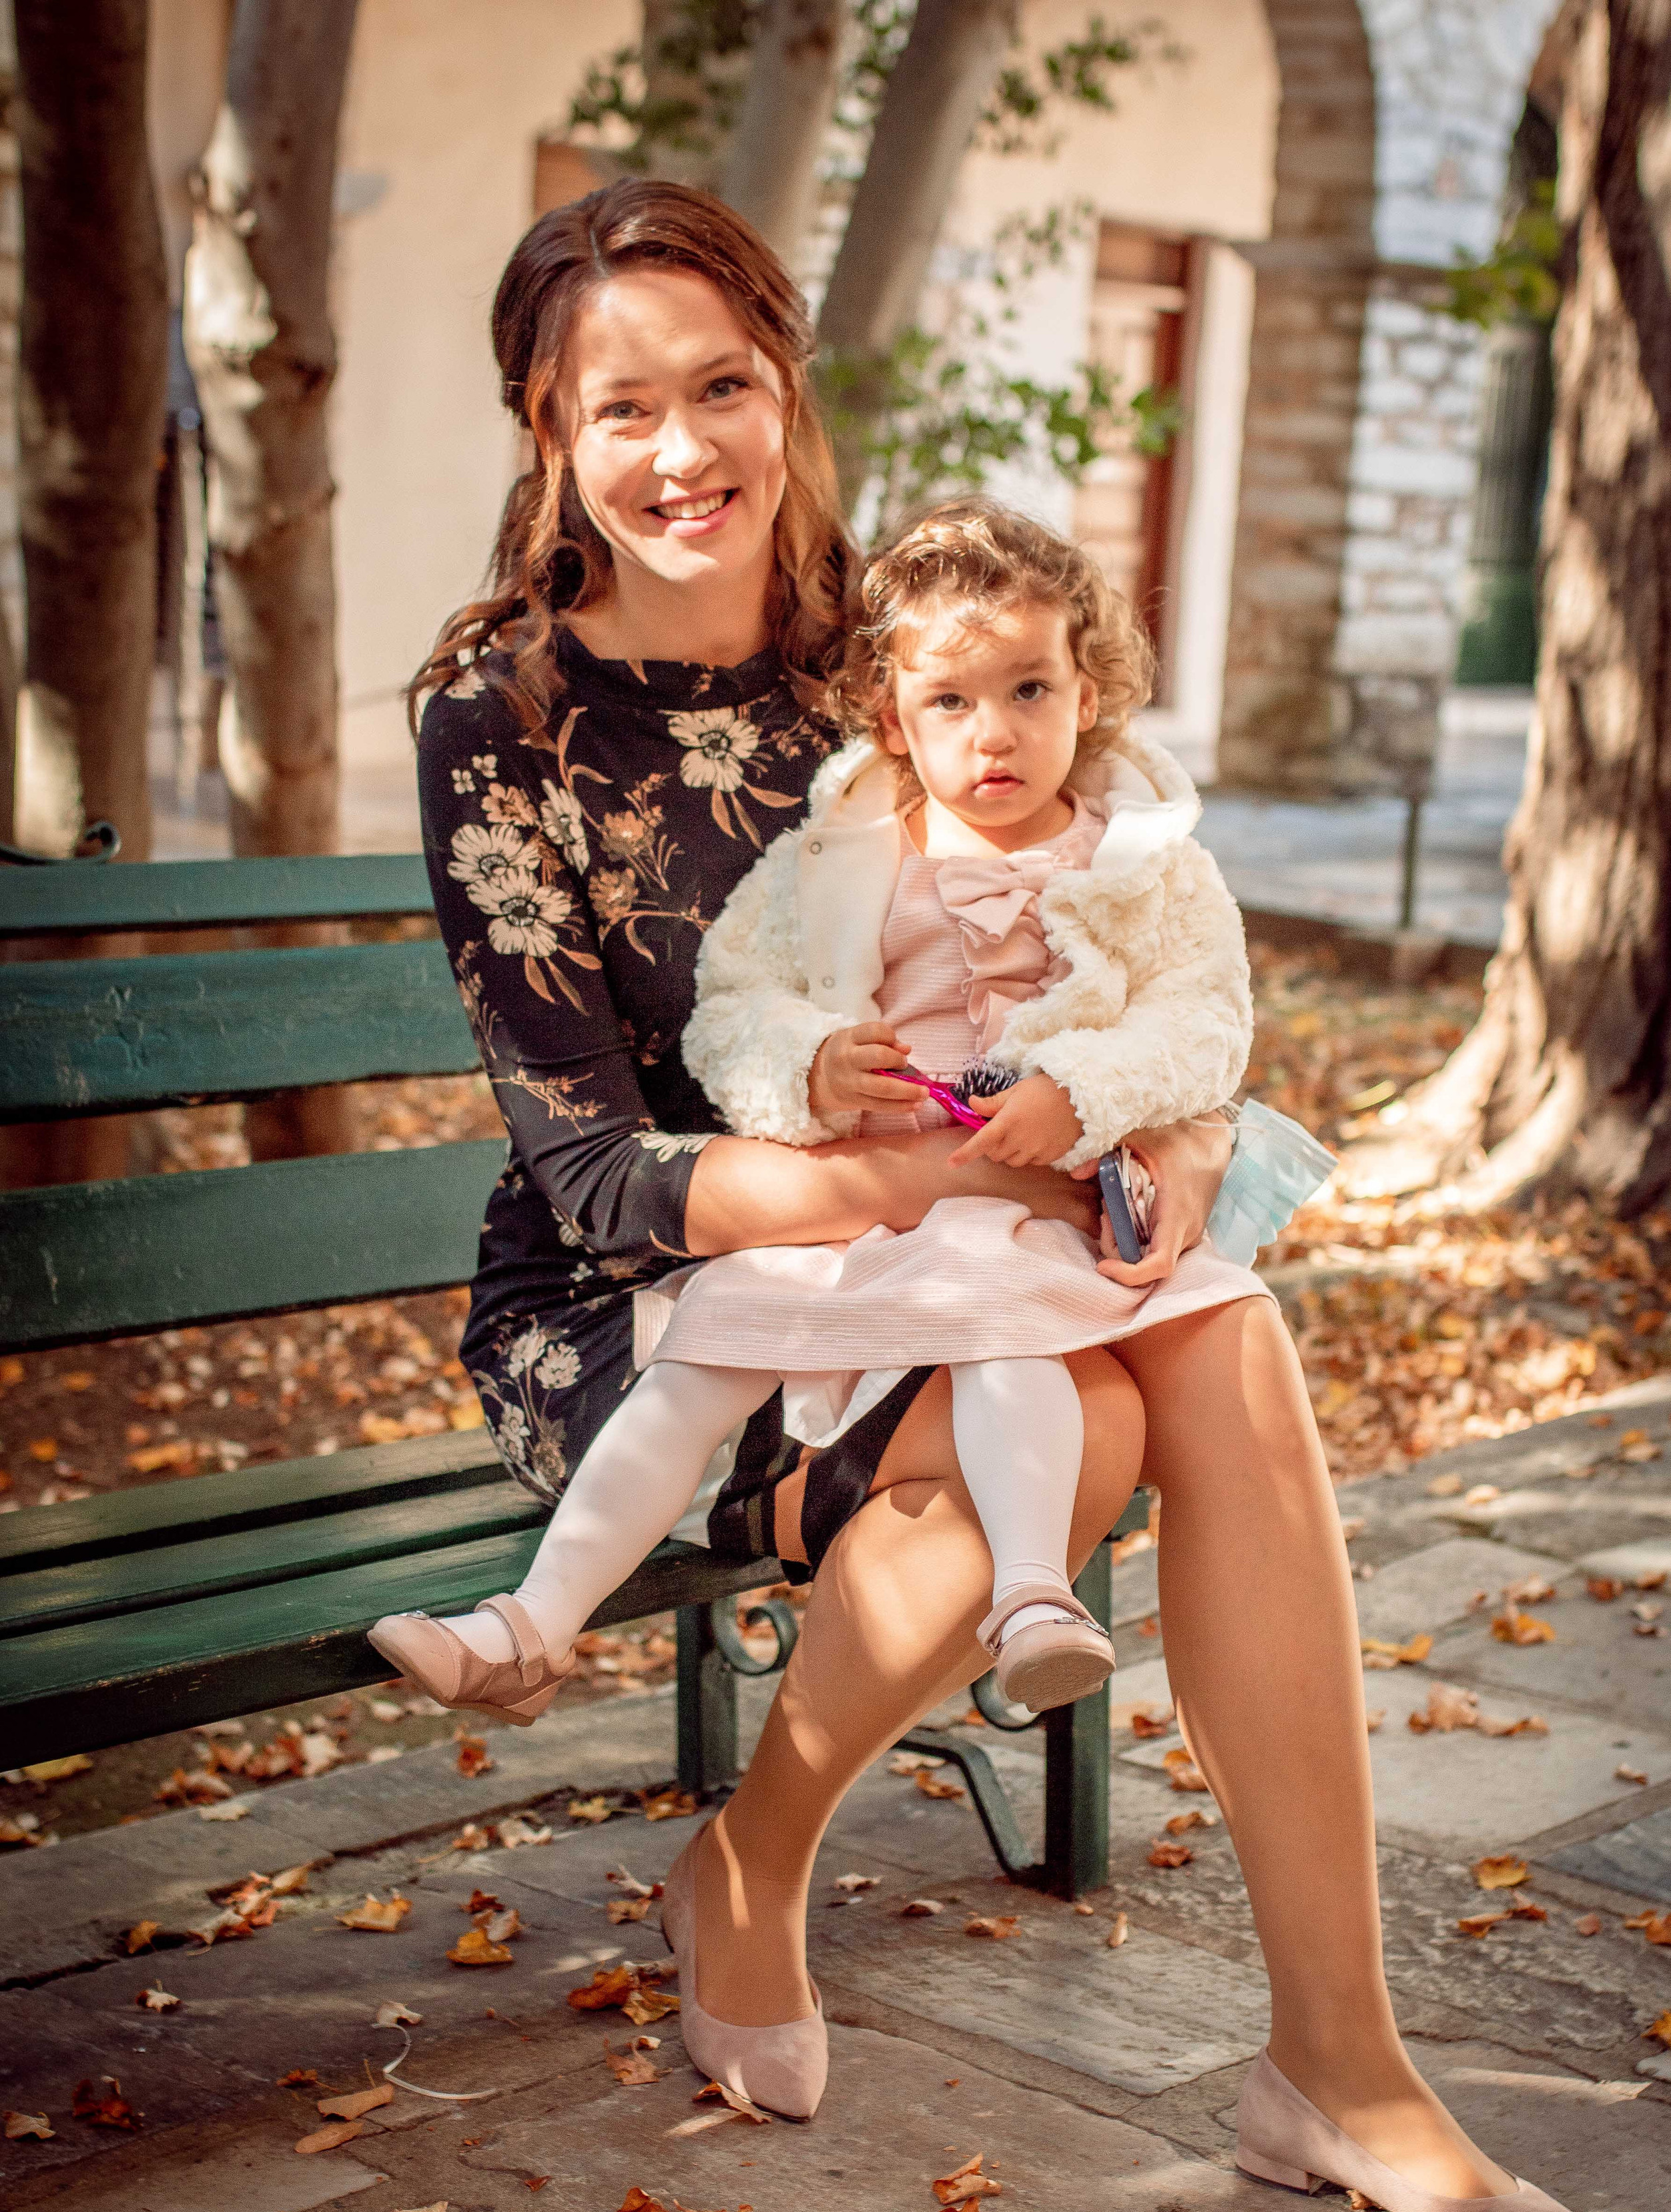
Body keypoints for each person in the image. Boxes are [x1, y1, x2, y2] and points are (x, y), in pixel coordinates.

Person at [377, 176, 1622, 2212]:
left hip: (984, 1230)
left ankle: (1340, 2057)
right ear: (546, 431)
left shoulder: (909, 638)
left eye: (725, 387)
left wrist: (1187, 1132)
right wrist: (941, 1168)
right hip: (655, 1293)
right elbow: (594, 1166)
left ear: (788, 391)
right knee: (1087, 1432)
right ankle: (750, 1868)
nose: (683, 451)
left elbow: (1137, 925)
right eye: (620, 408)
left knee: (1220, 1343)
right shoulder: (499, 718)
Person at [378, 498, 1274, 1728]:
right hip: (855, 1206)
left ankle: (1029, 1601)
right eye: (950, 702)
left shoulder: (1144, 864)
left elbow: (1206, 1019)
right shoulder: (844, 852)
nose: (993, 735)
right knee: (704, 1353)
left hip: (1024, 1208)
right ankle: (530, 1627)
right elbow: (732, 1003)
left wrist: (1090, 1089)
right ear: (896, 719)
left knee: (1002, 1335)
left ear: (1091, 689)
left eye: (1029, 691)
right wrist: (808, 1066)